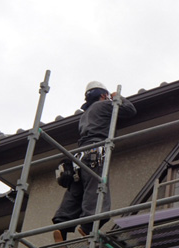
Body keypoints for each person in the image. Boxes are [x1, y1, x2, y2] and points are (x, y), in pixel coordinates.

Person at [52, 81, 137, 242]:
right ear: (103, 95)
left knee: (76, 191)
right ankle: (88, 226)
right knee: (97, 188)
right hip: (95, 150)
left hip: (79, 156)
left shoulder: (85, 115)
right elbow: (130, 110)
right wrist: (117, 97)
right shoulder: (103, 106)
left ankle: (61, 227)